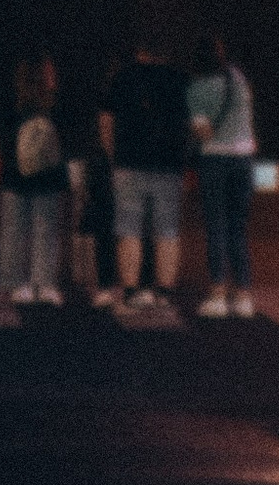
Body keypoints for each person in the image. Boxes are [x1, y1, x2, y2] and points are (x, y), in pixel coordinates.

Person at [99, 33, 194, 306]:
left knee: (129, 230)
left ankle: (131, 290)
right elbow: (189, 124)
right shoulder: (180, 80)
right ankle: (163, 292)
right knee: (166, 232)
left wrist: (113, 155)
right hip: (168, 164)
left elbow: (106, 120)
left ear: (139, 50)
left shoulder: (123, 77)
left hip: (129, 163)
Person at [188, 33, 258, 318]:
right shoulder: (238, 79)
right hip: (243, 159)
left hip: (215, 159)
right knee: (238, 227)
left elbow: (203, 132)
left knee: (216, 225)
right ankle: (243, 295)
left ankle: (218, 292)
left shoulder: (196, 89)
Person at [0, 54, 68, 305]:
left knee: (15, 230)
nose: (54, 77)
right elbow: (63, 142)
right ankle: (43, 283)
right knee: (45, 230)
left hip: (15, 175)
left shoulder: (13, 104)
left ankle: (17, 283)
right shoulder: (54, 105)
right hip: (48, 177)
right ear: (41, 76)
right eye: (49, 72)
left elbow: (3, 138)